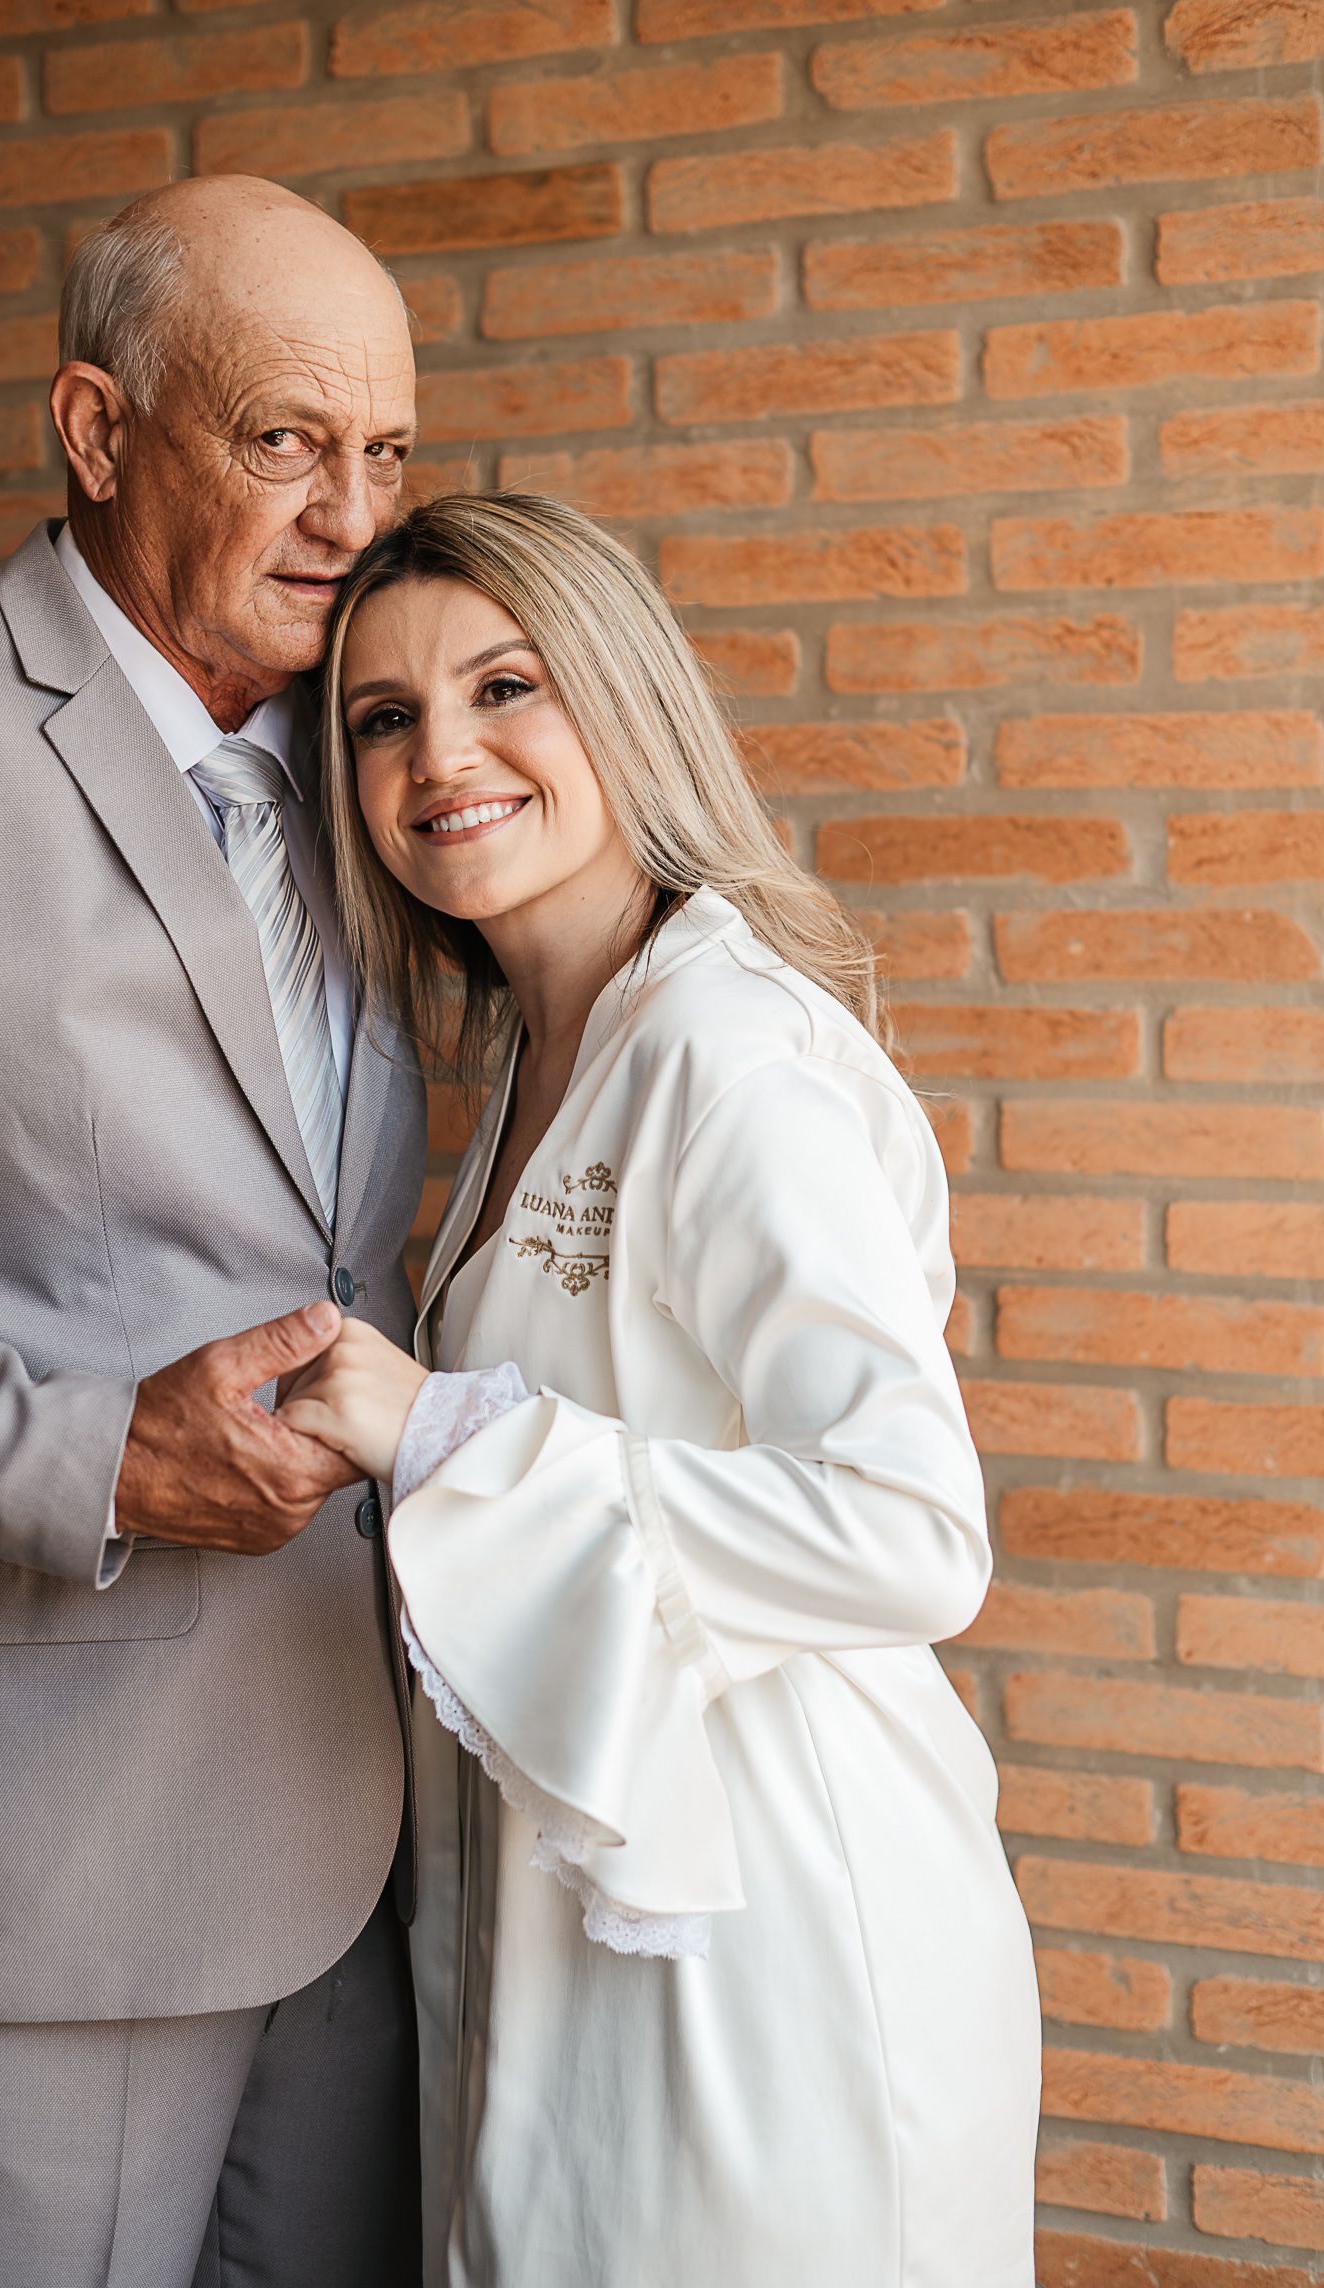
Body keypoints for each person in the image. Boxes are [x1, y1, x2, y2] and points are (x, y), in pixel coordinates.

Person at [0, 178, 425, 2286]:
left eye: (390, 455)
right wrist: (90, 1455)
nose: (351, 515)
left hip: (352, 1858)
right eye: (283, 441)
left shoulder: (393, 758)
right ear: (96, 425)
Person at [279, 491, 1043, 2287]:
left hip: (778, 1934)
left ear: (620, 700)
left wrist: (440, 1430)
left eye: (504, 687)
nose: (439, 756)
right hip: (570, 1938)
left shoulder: (726, 1047)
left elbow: (912, 1529)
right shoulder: (543, 1059)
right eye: (382, 718)